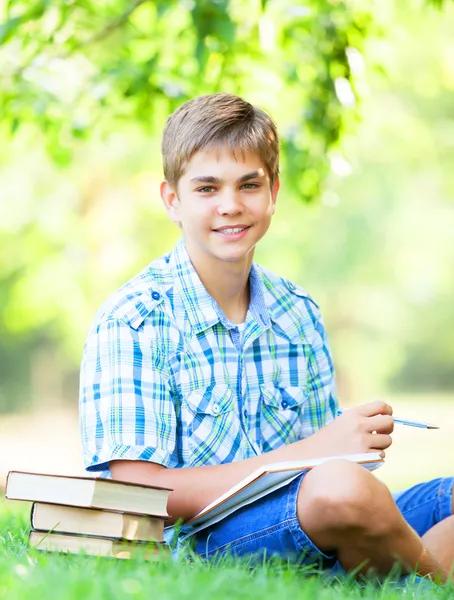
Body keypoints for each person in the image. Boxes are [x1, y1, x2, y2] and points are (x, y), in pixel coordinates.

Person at [79, 93, 454, 582]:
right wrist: (317, 452)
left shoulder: (296, 313)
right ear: (173, 200)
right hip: (204, 540)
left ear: (273, 191)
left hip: (305, 516)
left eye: (249, 185)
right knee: (342, 487)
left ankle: (378, 569)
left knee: (360, 486)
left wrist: (346, 441)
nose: (231, 205)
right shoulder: (133, 320)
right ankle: (431, 583)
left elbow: (328, 462)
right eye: (207, 188)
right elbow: (139, 495)